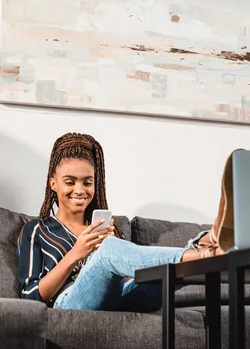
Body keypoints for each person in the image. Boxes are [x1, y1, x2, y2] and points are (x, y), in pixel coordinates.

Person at [18, 132, 229, 311]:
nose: (80, 190)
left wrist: (113, 255)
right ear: (53, 183)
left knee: (162, 277)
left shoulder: (108, 230)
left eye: (88, 182)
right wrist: (77, 254)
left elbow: (129, 281)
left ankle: (204, 247)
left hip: (117, 300)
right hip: (68, 303)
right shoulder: (37, 229)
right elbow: (29, 296)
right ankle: (202, 254)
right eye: (70, 182)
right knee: (109, 249)